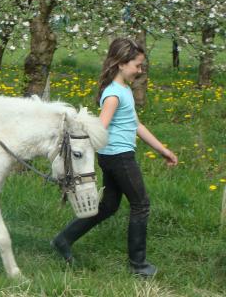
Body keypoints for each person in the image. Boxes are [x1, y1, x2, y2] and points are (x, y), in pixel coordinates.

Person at [51, 37, 178, 277]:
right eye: (137, 65)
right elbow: (100, 128)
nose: (140, 70)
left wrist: (163, 150)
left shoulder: (123, 90)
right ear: (121, 63)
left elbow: (136, 125)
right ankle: (139, 265)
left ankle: (63, 239)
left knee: (109, 206)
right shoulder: (112, 95)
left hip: (115, 157)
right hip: (119, 157)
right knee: (141, 204)